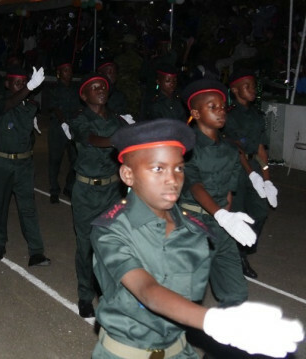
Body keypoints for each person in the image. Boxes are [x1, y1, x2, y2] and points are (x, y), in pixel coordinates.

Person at [91, 118, 303, 359]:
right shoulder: (111, 229)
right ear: (128, 174)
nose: (173, 179)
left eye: (179, 168)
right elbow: (147, 290)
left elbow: (191, 297)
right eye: (158, 168)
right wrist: (215, 322)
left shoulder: (195, 231)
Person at [178, 79, 252, 309]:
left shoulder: (230, 149)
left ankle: (223, 338)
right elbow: (194, 185)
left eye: (222, 106)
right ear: (196, 113)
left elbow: (228, 191)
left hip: (221, 223)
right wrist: (220, 215)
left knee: (236, 292)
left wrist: (225, 219)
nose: (220, 111)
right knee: (187, 295)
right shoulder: (186, 148)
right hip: (192, 224)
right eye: (212, 107)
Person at [69, 73, 126, 318]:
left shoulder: (118, 121)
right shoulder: (80, 121)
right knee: (85, 245)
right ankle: (84, 295)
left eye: (103, 86)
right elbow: (91, 139)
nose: (100, 89)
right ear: (84, 95)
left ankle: (106, 290)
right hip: (86, 192)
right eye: (94, 87)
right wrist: (120, 138)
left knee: (111, 244)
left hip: (113, 190)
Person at [0, 66, 51, 266]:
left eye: (24, 82)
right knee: (0, 206)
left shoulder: (31, 105)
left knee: (28, 208)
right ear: (7, 84)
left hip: (24, 164)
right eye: (16, 82)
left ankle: (36, 251)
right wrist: (30, 87)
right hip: (2, 162)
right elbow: (7, 105)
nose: (21, 86)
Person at [224, 69, 278, 279]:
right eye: (247, 86)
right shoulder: (228, 116)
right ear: (235, 90)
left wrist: (266, 180)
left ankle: (241, 250)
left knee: (260, 212)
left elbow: (261, 148)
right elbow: (237, 149)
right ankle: (237, 257)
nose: (252, 90)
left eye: (253, 85)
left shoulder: (257, 115)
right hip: (235, 170)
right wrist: (251, 175)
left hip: (253, 165)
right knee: (237, 213)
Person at [45, 61, 79, 203]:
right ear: (59, 73)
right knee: (55, 160)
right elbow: (53, 107)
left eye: (70, 70)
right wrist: (63, 121)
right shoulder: (53, 88)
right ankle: (54, 190)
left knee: (76, 160)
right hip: (57, 127)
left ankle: (69, 187)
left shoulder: (75, 89)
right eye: (65, 70)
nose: (68, 73)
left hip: (73, 126)